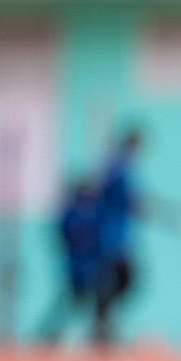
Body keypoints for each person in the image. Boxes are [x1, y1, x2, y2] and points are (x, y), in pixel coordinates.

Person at [92, 128, 143, 346]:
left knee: (119, 281)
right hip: (112, 236)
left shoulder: (120, 167)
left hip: (118, 234)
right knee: (122, 278)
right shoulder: (118, 168)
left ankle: (103, 322)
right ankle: (101, 322)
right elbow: (121, 197)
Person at [38, 177, 102, 346]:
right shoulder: (75, 214)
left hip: (85, 267)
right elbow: (66, 237)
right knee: (73, 303)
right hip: (77, 267)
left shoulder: (82, 214)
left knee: (82, 303)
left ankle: (98, 332)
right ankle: (48, 332)